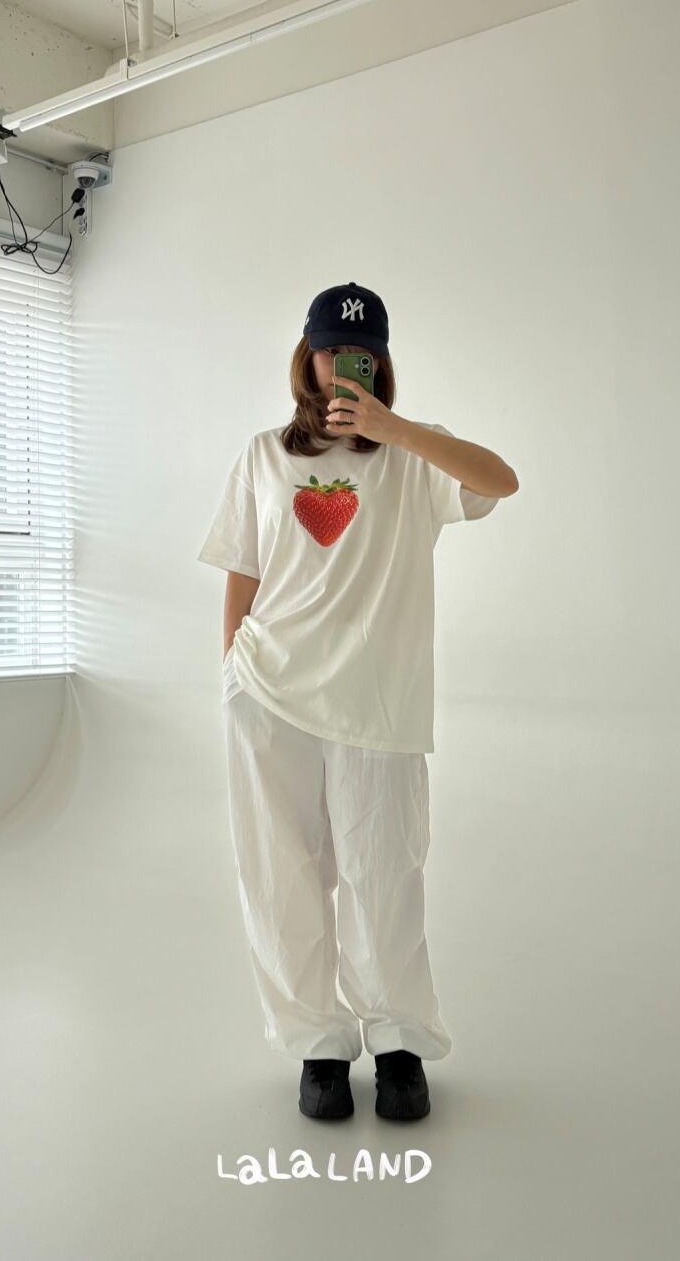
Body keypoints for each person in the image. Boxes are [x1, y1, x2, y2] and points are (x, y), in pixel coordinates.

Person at [196, 281, 518, 1121]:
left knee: (385, 873)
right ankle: (318, 1042)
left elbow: (502, 482)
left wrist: (394, 428)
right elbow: (242, 570)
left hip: (378, 697)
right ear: (307, 358)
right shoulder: (264, 455)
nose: (346, 363)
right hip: (269, 690)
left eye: (362, 351)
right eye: (332, 351)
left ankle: (398, 1038)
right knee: (282, 873)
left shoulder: (414, 456)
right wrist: (231, 672)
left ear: (381, 360)